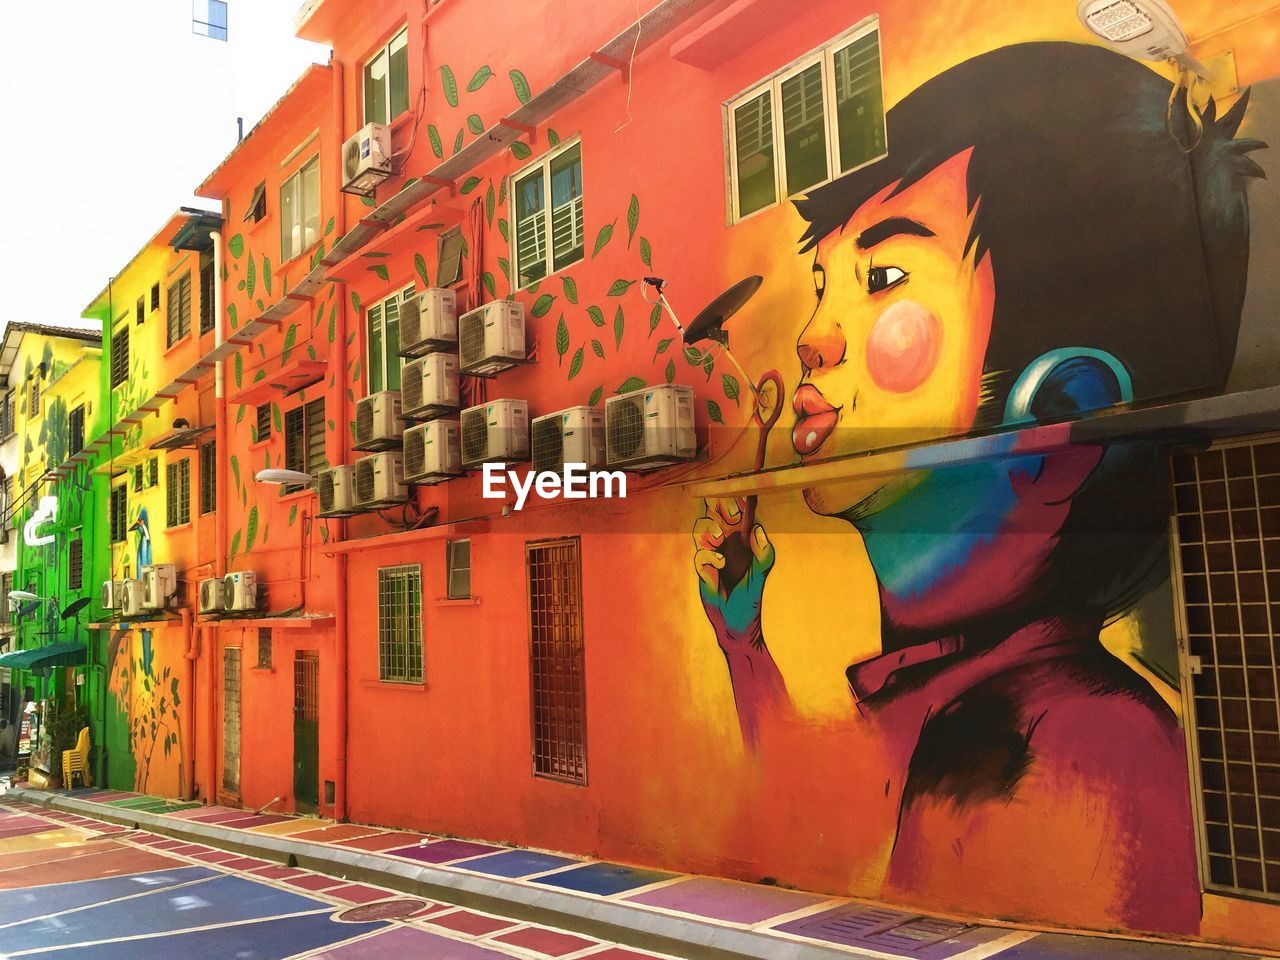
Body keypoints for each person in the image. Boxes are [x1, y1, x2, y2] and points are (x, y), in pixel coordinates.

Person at [693, 41, 1264, 934]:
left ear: (1060, 419)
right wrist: (745, 643)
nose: (812, 338)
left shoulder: (1082, 749)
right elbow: (807, 841)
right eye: (823, 285)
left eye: (881, 279)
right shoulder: (944, 687)